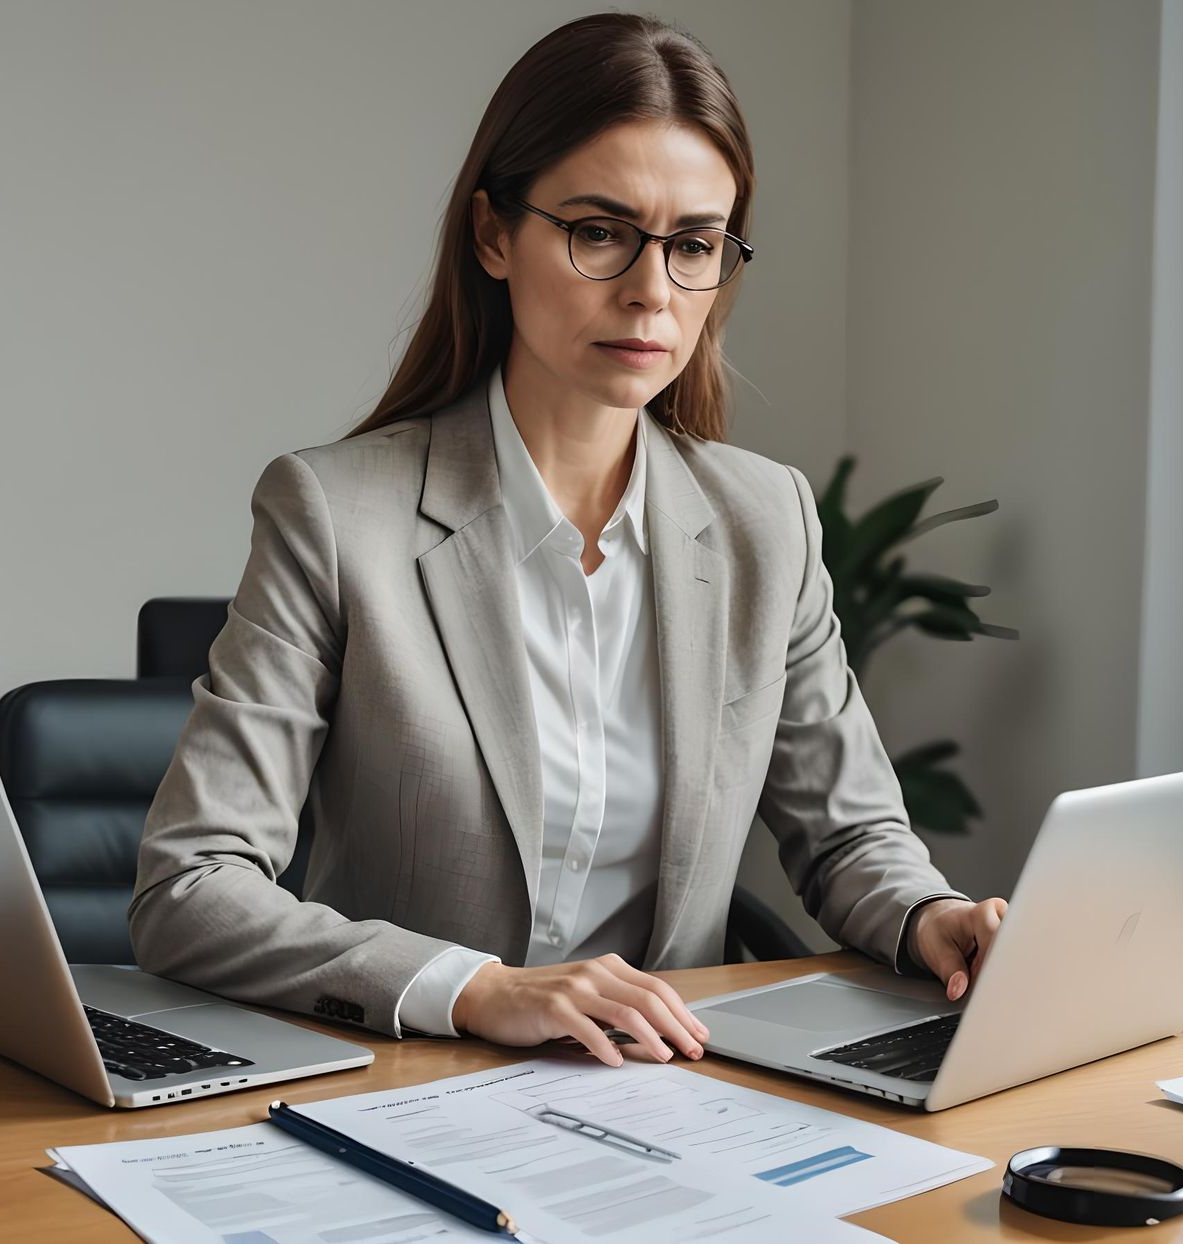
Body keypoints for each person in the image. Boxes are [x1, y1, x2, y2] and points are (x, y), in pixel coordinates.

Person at [129, 11, 1008, 1069]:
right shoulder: (332, 512)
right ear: (494, 234)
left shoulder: (763, 522)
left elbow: (848, 837)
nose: (650, 290)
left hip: (668, 1094)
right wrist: (479, 988)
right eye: (598, 232)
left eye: (693, 245)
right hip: (403, 1083)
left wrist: (932, 917)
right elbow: (191, 885)